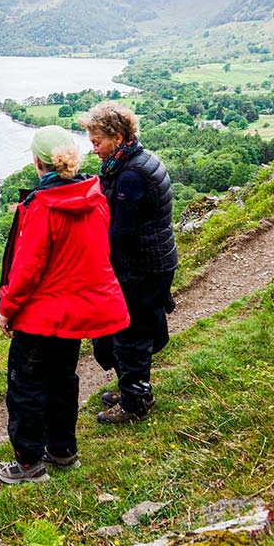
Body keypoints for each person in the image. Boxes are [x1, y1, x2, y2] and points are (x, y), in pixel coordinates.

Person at [0, 125, 129, 483]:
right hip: (74, 316)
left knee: (26, 386)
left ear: (37, 162)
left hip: (39, 317)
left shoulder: (42, 207)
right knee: (63, 382)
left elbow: (26, 270)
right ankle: (63, 452)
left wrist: (6, 309)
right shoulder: (94, 198)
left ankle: (29, 464)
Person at [78, 102, 179, 425]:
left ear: (118, 138)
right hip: (155, 261)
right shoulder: (135, 162)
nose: (93, 149)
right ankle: (135, 391)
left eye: (97, 142)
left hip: (142, 267)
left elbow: (120, 232)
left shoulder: (132, 175)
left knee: (129, 333)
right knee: (134, 329)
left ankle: (135, 403)